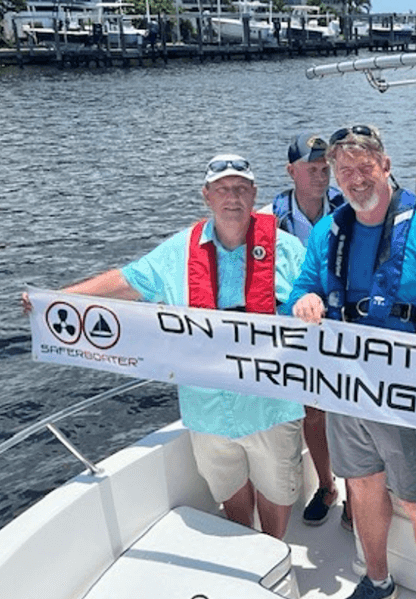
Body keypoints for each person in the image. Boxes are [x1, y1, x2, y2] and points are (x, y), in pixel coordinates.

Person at [22, 154, 307, 539]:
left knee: (276, 490)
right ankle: (248, 550)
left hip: (271, 407)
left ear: (254, 193)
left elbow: (317, 293)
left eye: (241, 188)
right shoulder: (178, 251)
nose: (233, 197)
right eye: (223, 189)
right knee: (230, 491)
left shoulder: (287, 250)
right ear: (207, 196)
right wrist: (58, 299)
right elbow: (126, 281)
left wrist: (314, 304)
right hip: (208, 410)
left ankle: (276, 550)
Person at [285, 125, 416, 599]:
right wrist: (304, 300)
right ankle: (377, 579)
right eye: (344, 170)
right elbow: (300, 288)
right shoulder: (329, 231)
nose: (355, 178)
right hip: (346, 386)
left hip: (408, 391)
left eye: (365, 167)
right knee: (362, 486)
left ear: (386, 166)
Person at [273, 132, 347, 528]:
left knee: (352, 412)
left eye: (325, 169)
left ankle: (359, 492)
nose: (322, 177)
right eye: (312, 169)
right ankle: (326, 485)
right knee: (313, 413)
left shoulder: (347, 207)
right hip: (298, 331)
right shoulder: (272, 219)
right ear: (291, 171)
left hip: (344, 325)